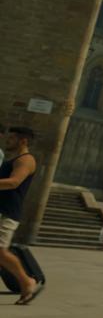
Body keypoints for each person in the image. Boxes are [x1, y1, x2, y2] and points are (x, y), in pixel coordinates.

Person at [0, 126, 43, 304]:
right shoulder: (14, 159)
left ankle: (27, 282)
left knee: (0, 252)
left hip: (7, 213)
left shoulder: (26, 160)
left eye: (11, 139)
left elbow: (14, 182)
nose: (7, 141)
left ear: (22, 141)